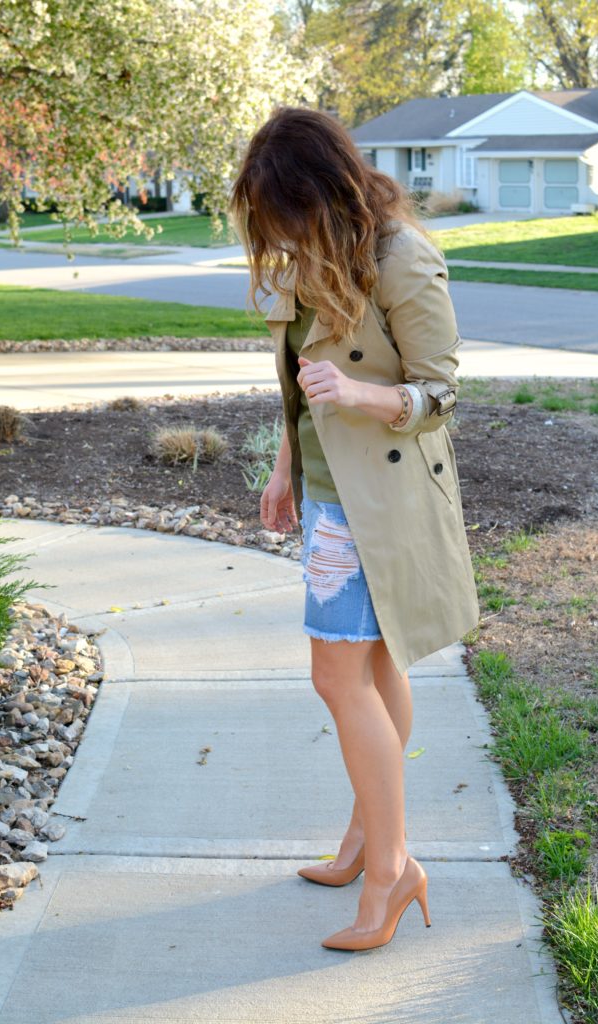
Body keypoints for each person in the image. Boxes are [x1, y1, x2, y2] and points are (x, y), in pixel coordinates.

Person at [227, 105, 479, 951]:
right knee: (367, 669)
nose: (277, 232)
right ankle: (366, 840)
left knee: (338, 681)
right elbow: (299, 388)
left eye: (284, 210)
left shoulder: (402, 257)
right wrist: (284, 466)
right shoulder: (311, 260)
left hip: (379, 503)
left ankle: (392, 870)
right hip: (329, 494)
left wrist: (366, 396)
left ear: (322, 192)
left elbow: (441, 390)